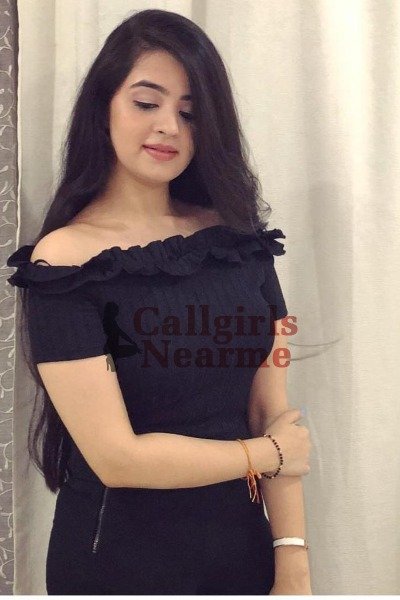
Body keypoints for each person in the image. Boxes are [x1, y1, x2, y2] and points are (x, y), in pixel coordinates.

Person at [7, 9, 311, 595]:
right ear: (104, 109)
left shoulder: (239, 242)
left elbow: (271, 410)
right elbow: (117, 458)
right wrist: (266, 454)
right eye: (146, 103)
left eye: (190, 113)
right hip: (117, 560)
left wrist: (293, 560)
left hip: (244, 550)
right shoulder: (64, 263)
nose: (168, 126)